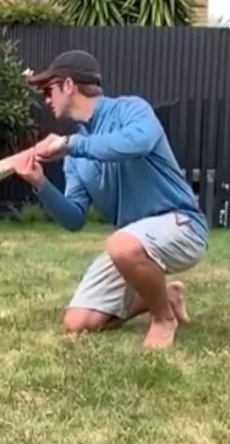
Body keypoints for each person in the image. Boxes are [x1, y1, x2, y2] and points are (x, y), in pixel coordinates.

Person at [12, 49, 208, 349]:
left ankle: (163, 318)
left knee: (121, 243)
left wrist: (69, 144)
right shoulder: (74, 156)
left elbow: (137, 142)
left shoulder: (132, 110)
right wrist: (40, 183)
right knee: (78, 323)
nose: (46, 99)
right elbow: (74, 218)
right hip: (133, 242)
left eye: (48, 89)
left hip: (181, 225)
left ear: (68, 85)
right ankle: (164, 295)